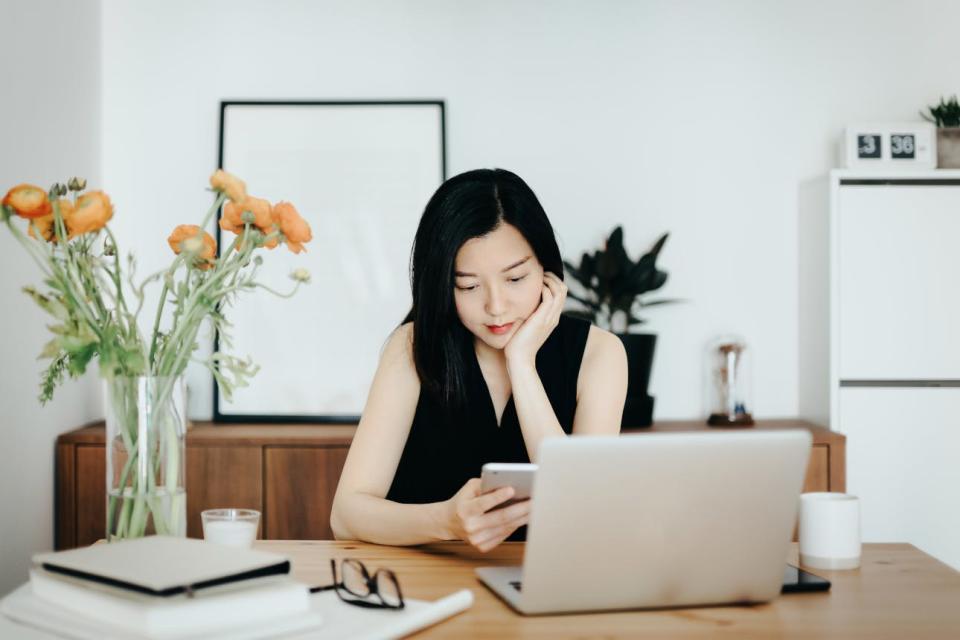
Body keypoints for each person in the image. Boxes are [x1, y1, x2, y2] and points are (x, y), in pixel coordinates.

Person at [330, 168, 627, 552]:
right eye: (468, 286)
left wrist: (522, 364)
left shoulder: (600, 354)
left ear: (546, 270)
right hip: (424, 587)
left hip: (546, 585)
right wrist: (445, 521)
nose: (496, 307)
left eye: (516, 279)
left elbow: (585, 515)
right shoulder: (411, 348)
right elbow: (345, 516)